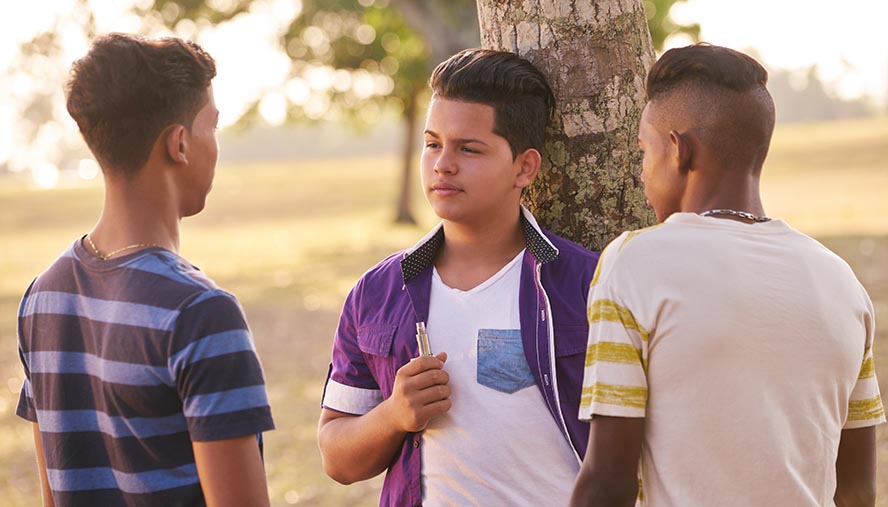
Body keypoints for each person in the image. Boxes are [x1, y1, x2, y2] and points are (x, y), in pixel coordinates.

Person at [570, 43, 885, 507]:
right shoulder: (841, 282)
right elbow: (857, 491)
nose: (640, 173)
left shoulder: (635, 263)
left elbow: (608, 482)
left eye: (643, 152)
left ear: (678, 150)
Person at [318, 48, 600, 506]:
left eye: (468, 148)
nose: (442, 164)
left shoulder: (587, 287)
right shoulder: (378, 293)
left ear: (525, 167)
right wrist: (393, 415)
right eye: (433, 144)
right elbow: (337, 458)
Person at [15, 33, 275, 507]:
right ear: (179, 143)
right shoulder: (201, 314)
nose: (215, 146)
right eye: (211, 127)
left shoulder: (42, 297)